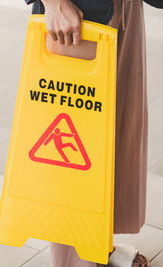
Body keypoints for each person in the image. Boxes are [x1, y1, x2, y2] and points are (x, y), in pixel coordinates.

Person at [24, 0, 148, 266]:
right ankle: (73, 262)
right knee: (72, 149)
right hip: (75, 14)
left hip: (123, 8)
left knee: (113, 134)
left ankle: (95, 244)